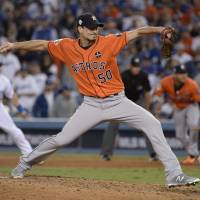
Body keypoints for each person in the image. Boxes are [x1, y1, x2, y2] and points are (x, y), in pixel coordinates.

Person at [0, 13, 199, 187]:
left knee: (154, 124)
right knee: (62, 139)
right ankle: (25, 162)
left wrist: (159, 29)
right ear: (80, 29)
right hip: (91, 105)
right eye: (91, 28)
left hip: (118, 101)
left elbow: (137, 32)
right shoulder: (66, 46)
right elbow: (42, 45)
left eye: (97, 27)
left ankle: (174, 174)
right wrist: (15, 45)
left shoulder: (109, 41)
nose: (96, 31)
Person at [101, 57, 157, 161]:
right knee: (112, 125)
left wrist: (147, 108)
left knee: (148, 124)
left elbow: (147, 93)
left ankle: (153, 154)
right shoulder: (124, 75)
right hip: (123, 101)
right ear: (130, 66)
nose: (136, 69)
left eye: (138, 67)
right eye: (134, 67)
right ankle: (106, 153)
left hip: (137, 102)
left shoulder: (143, 76)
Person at [154, 64, 200, 165]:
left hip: (191, 106)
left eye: (185, 73)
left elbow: (198, 101)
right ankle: (195, 154)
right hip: (178, 108)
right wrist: (158, 105)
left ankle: (192, 155)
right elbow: (158, 95)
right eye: (180, 73)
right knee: (180, 135)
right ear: (174, 74)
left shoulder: (192, 84)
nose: (183, 75)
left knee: (193, 125)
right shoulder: (165, 82)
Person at [0, 62, 32, 156]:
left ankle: (29, 154)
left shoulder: (4, 80)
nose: (1, 67)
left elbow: (12, 96)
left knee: (14, 131)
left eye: (1, 65)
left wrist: (21, 110)